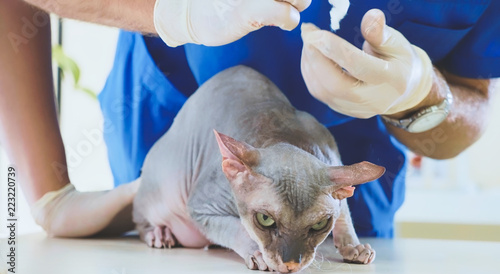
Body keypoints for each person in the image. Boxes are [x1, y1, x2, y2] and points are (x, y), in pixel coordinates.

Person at [1, 0, 498, 238]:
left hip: (343, 203)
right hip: (170, 169)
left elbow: (471, 101)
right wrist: (172, 13)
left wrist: (419, 95)